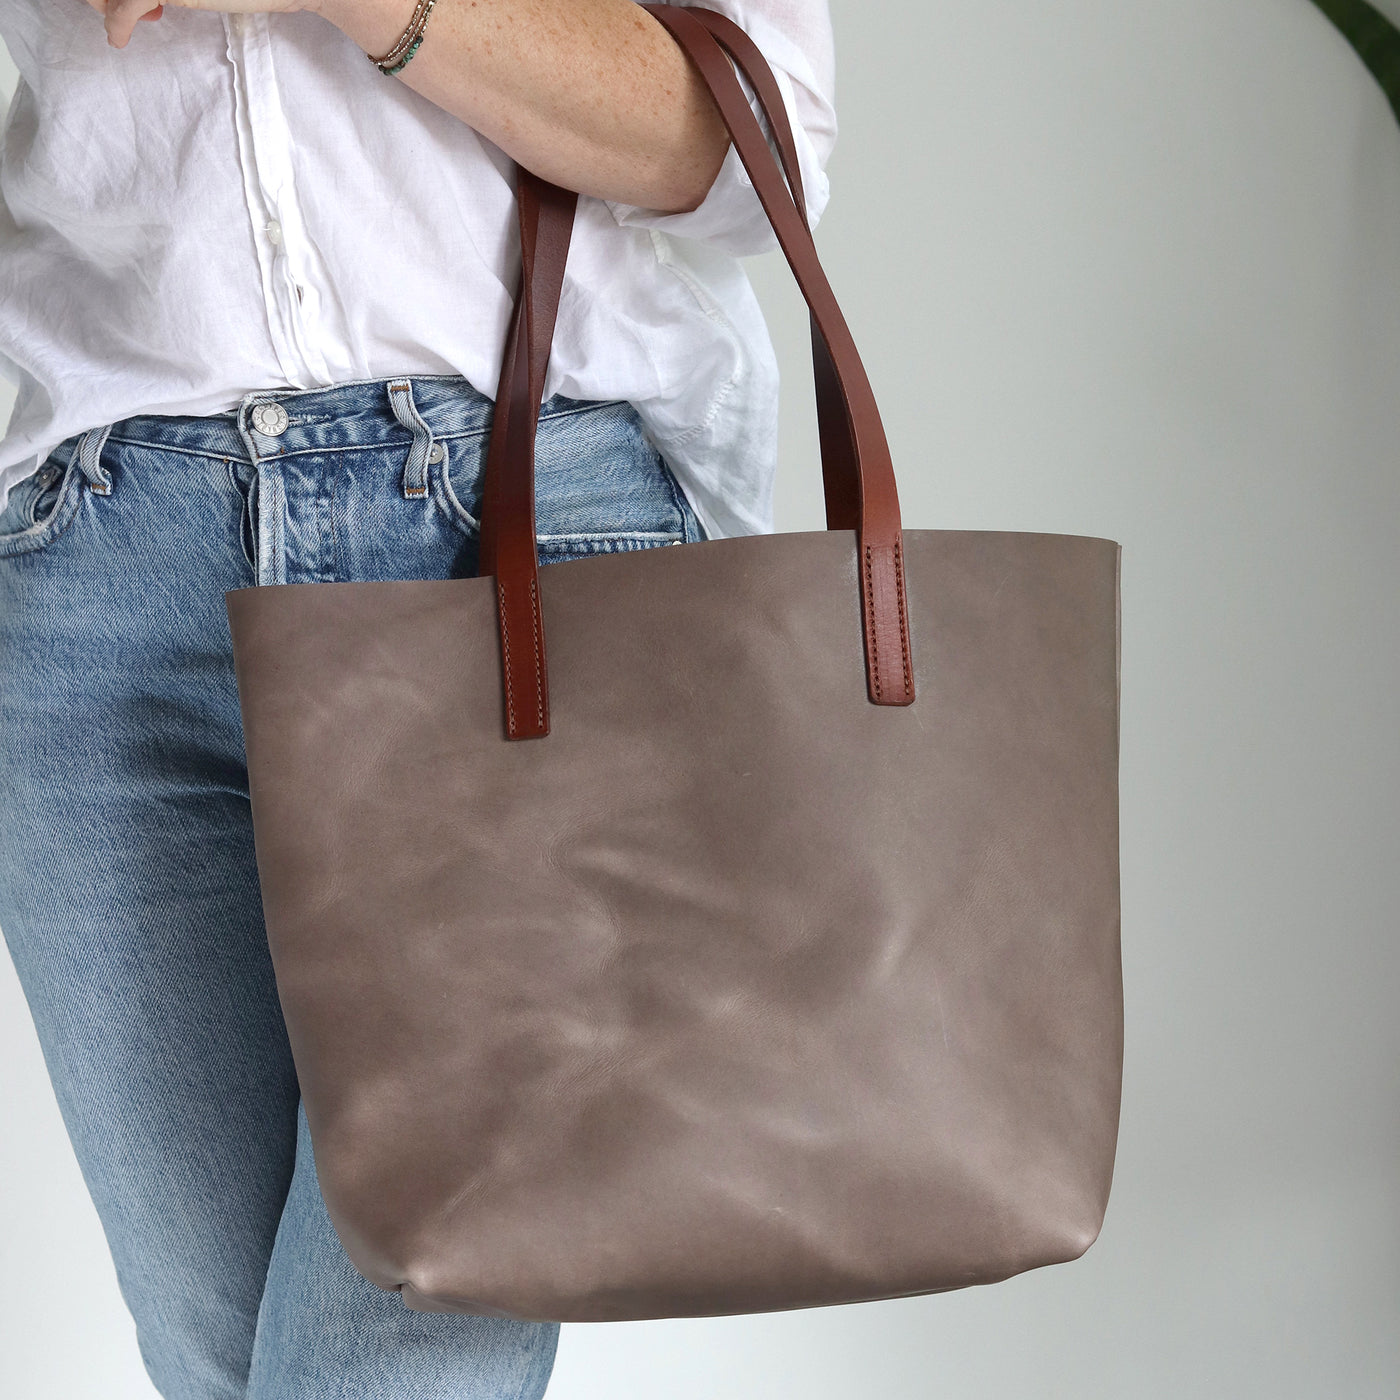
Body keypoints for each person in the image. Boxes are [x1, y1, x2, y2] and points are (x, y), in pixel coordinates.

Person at [0, 0, 835, 1395]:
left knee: (397, 1353)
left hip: (517, 541)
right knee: (225, 1360)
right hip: (97, 552)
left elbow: (749, 148)